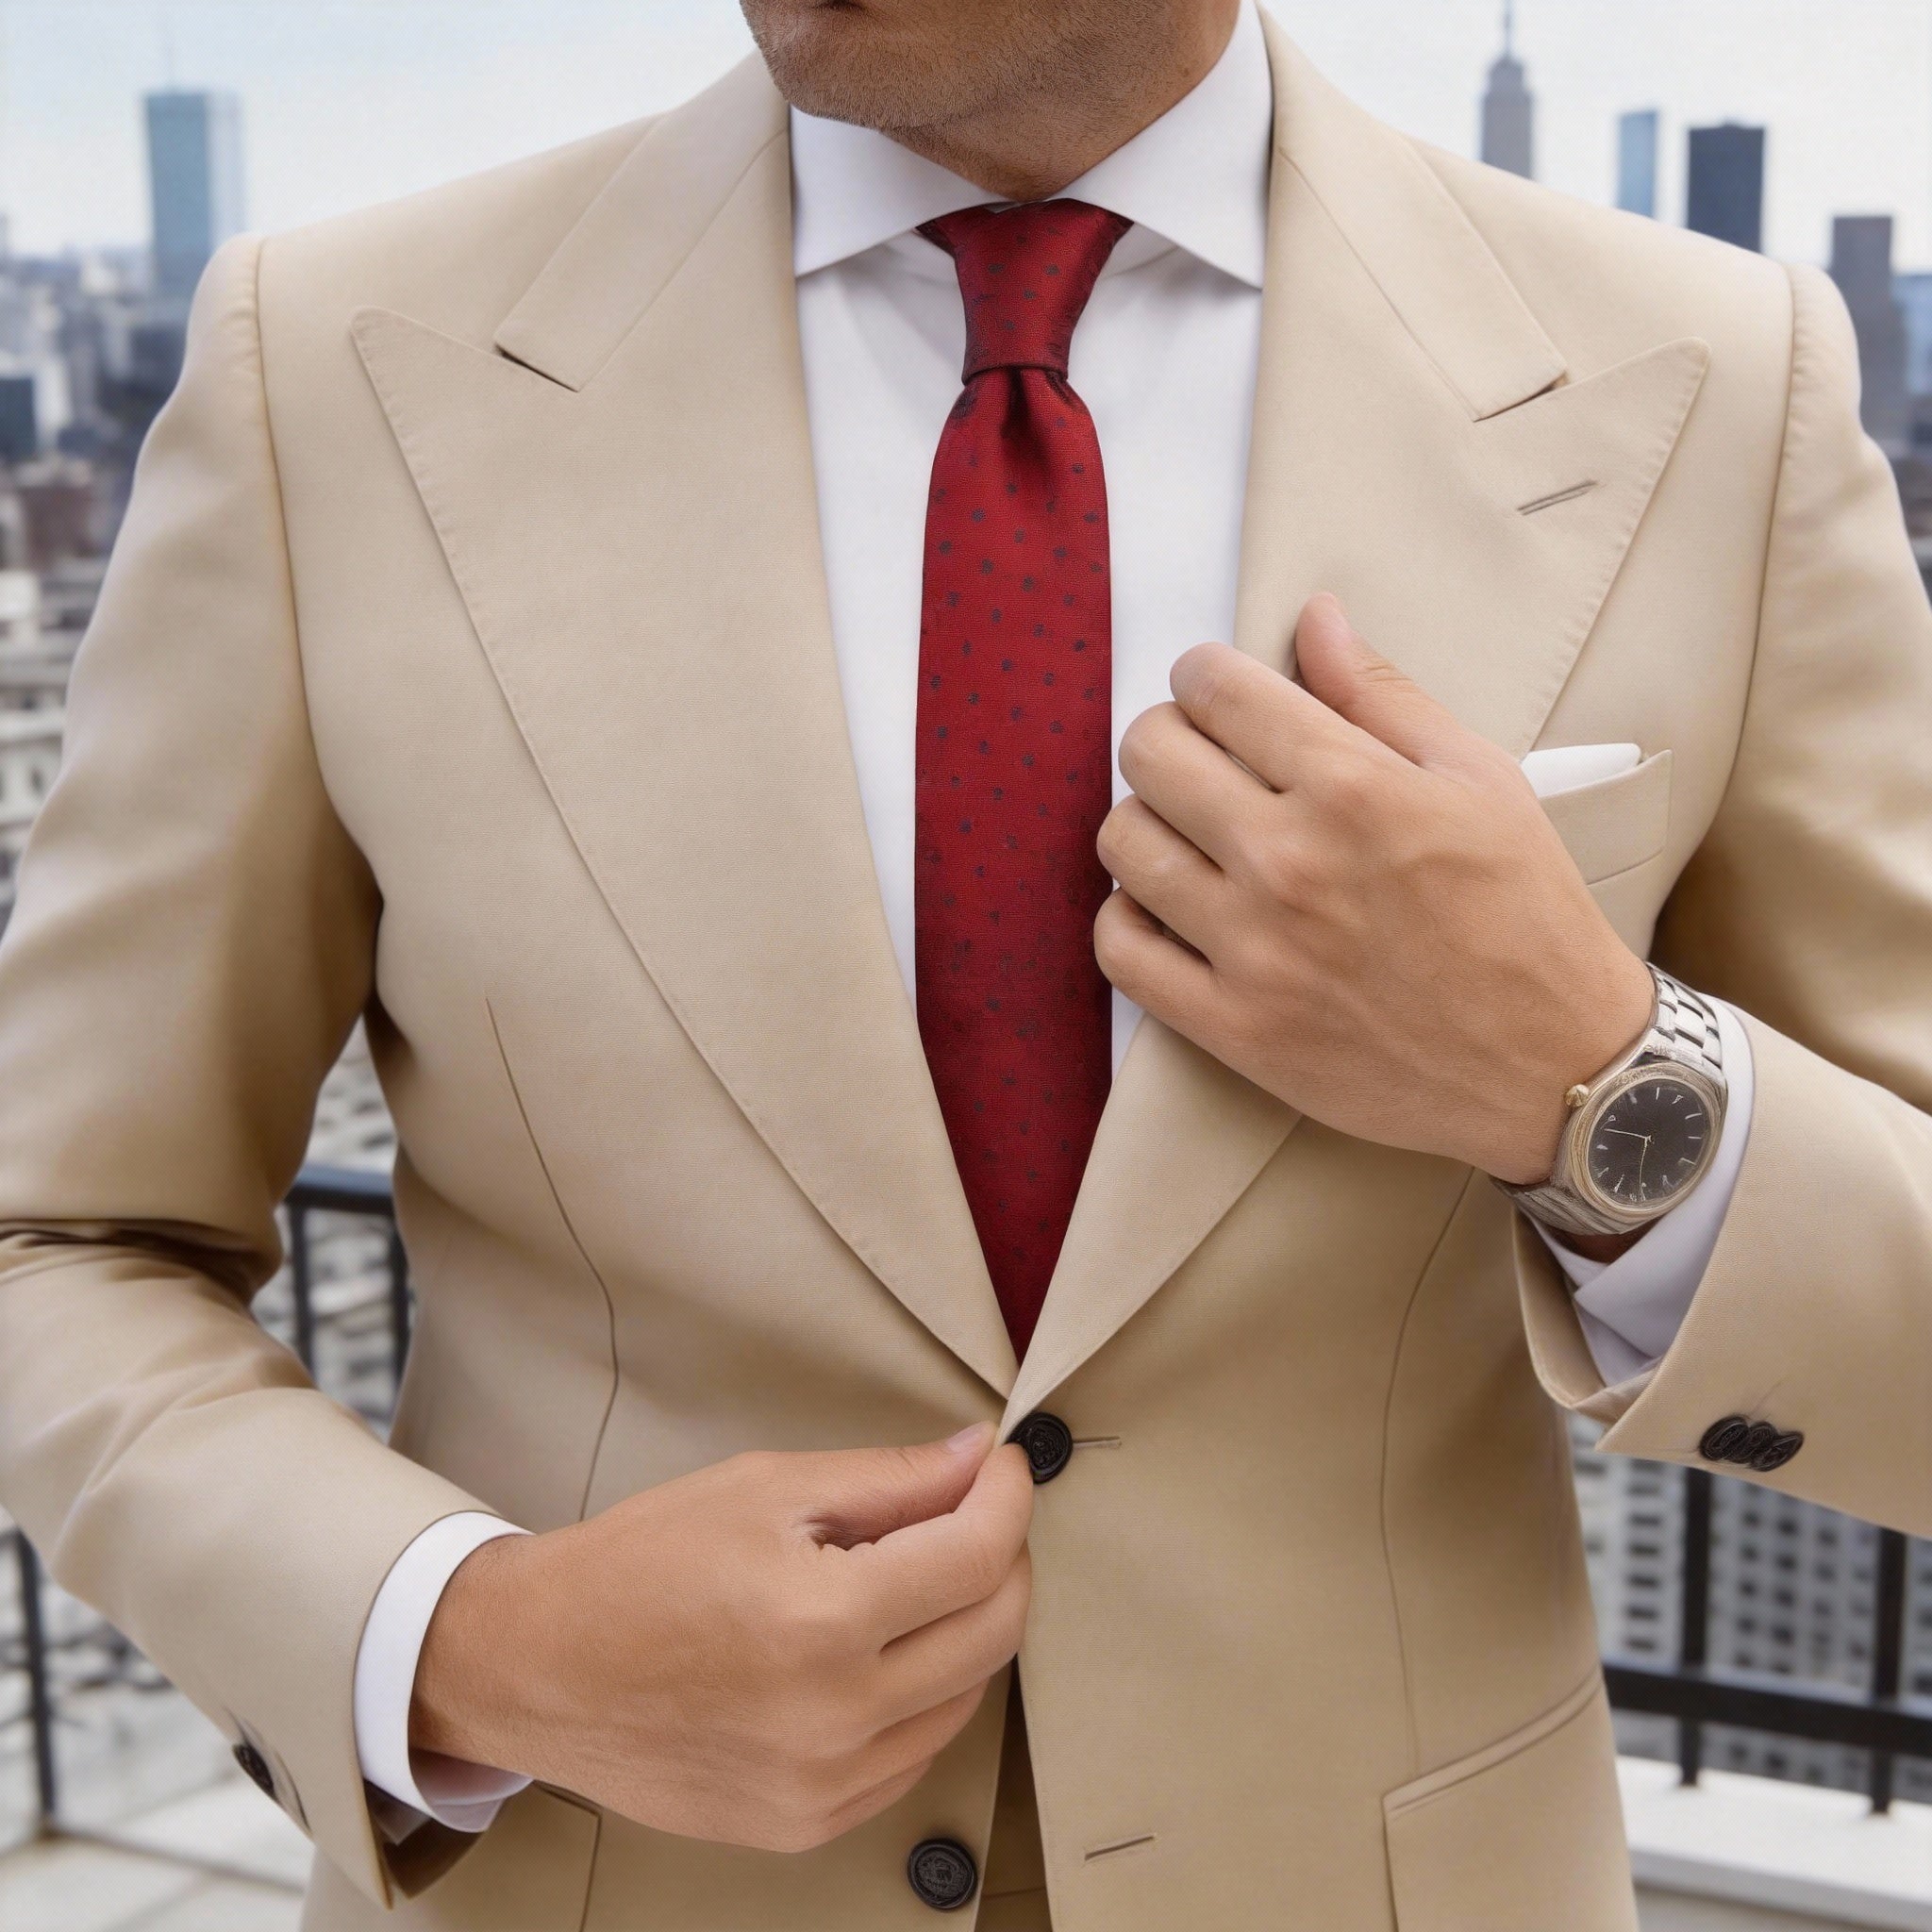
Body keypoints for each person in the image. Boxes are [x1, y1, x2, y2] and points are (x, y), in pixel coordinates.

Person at [0, 0, 1926, 1925]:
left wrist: (1596, 1080)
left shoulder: (1715, 384)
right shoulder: (325, 367)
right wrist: (471, 1643)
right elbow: (53, 1240)